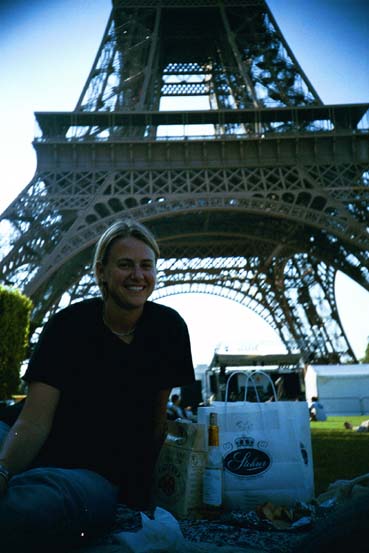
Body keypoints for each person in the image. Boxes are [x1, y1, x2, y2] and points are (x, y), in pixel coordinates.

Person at [0, 218, 196, 552]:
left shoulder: (168, 329)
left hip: (90, 472)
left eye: (146, 265)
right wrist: (3, 472)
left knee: (35, 503)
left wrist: (142, 494)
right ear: (101, 271)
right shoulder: (66, 326)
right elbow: (33, 421)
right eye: (124, 265)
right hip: (21, 439)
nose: (137, 275)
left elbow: (156, 423)